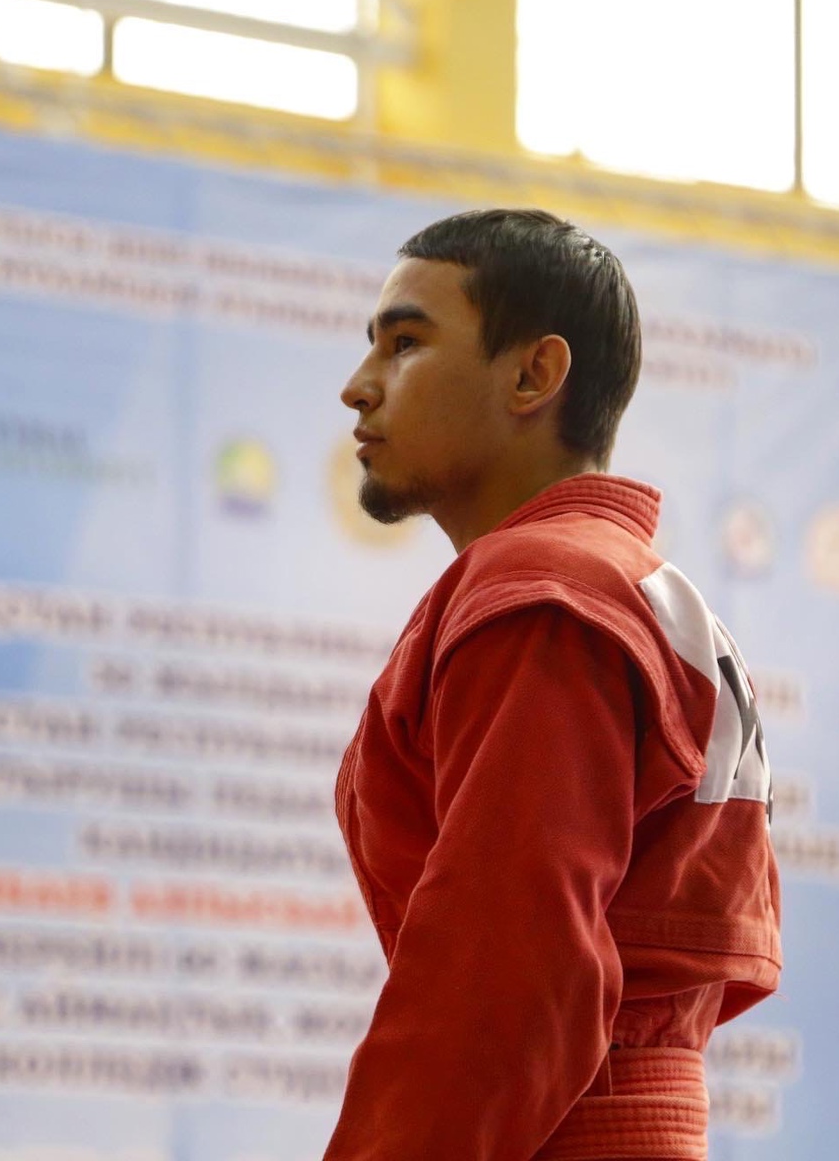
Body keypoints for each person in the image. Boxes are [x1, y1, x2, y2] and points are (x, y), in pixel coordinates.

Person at [324, 209, 780, 1161]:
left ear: (533, 375)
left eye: (405, 344)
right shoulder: (634, 586)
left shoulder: (545, 590)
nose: (358, 385)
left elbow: (505, 966)